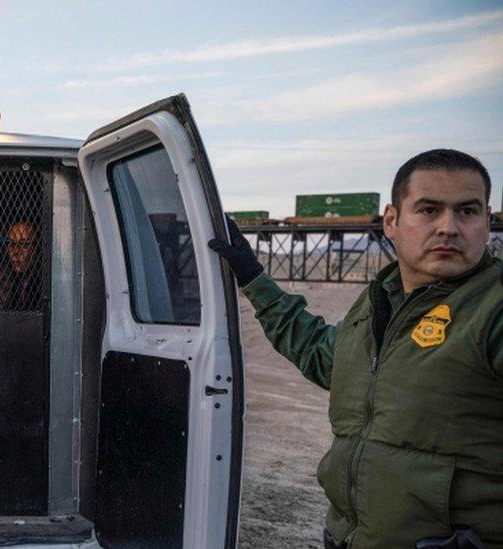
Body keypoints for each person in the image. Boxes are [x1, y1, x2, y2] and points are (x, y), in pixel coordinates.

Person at [209, 149, 502, 548]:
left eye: (467, 212)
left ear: (487, 221)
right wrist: (252, 275)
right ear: (392, 222)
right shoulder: (379, 302)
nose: (449, 227)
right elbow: (322, 354)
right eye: (429, 210)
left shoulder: (493, 308)